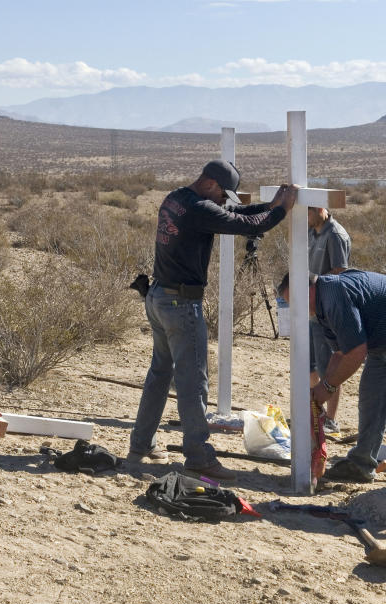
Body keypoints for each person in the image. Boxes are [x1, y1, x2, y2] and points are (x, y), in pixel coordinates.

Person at [128, 160, 298, 480]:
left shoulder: (177, 198)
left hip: (159, 297)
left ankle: (141, 445)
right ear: (209, 183)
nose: (225, 200)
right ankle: (198, 456)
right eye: (224, 193)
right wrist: (279, 211)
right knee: (193, 384)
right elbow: (248, 226)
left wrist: (272, 205)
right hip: (180, 303)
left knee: (160, 375)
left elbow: (234, 217)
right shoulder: (200, 209)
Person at [277, 269, 386, 498]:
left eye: (293, 301)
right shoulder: (322, 309)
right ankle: (361, 465)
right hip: (382, 342)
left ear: (308, 289)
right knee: (370, 401)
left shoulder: (334, 294)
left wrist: (327, 387)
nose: (295, 309)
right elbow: (340, 353)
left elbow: (355, 353)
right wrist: (321, 389)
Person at [307, 206, 351, 434]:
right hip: (309, 309)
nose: (305, 216)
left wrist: (318, 288)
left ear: (321, 209)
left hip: (326, 312)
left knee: (329, 369)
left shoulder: (335, 234)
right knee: (309, 365)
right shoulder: (310, 231)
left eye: (309, 211)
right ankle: (316, 412)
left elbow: (340, 273)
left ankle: (331, 419)